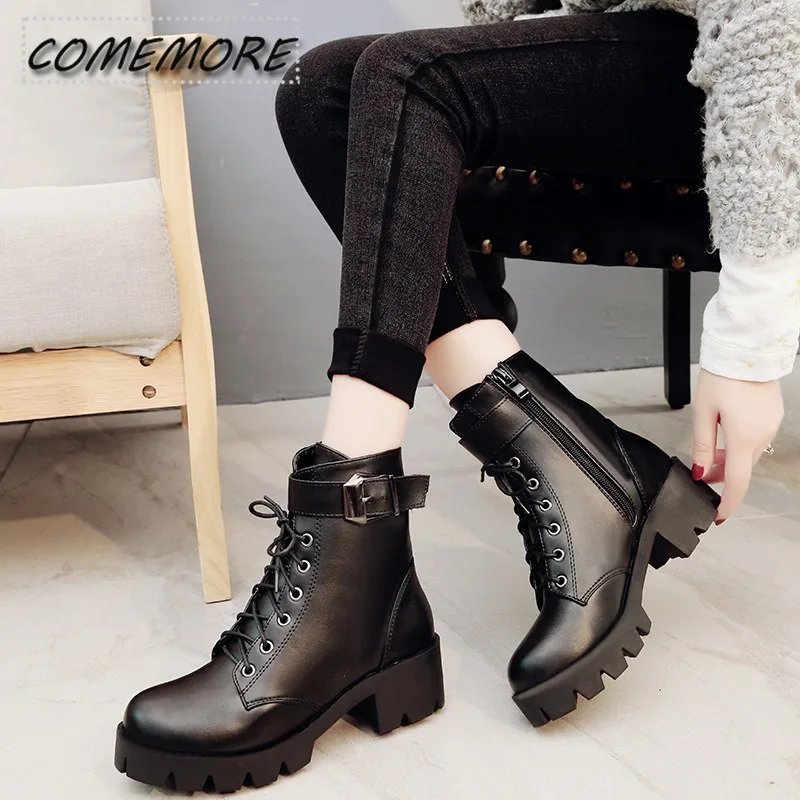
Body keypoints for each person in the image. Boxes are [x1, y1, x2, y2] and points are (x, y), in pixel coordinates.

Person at [113, 1, 797, 792]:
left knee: (408, 80)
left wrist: (751, 341)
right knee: (324, 92)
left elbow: (768, 20)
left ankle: (355, 560)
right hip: (654, 44)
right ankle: (571, 467)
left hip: (767, 58)